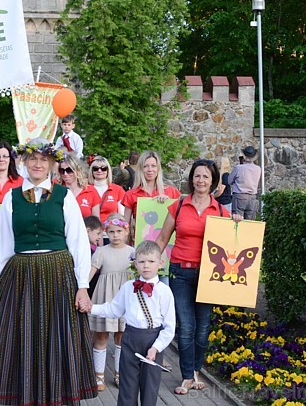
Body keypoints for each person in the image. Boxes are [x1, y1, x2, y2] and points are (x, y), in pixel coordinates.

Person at [0, 139, 97, 405]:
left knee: (56, 338)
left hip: (58, 276)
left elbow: (79, 242)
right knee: (14, 335)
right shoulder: (12, 198)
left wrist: (82, 286)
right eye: (33, 159)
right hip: (21, 275)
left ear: (51, 165)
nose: (38, 164)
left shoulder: (63, 196)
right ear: (24, 162)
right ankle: (25, 395)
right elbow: (1, 245)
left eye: (43, 160)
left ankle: (55, 395)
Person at [155, 159, 241, 395]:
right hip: (180, 271)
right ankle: (186, 376)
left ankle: (195, 371)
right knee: (186, 327)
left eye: (205, 177)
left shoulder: (222, 210)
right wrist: (148, 263)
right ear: (191, 179)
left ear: (213, 181)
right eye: (197, 176)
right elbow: (162, 239)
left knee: (203, 329)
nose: (201, 180)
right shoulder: (179, 206)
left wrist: (237, 225)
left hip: (209, 275)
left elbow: (233, 242)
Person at [88, 240, 175, 406]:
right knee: (127, 386)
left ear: (160, 263)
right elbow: (113, 310)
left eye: (151, 261)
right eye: (141, 262)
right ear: (135, 263)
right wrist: (91, 308)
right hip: (130, 339)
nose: (146, 266)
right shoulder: (128, 287)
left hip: (153, 341)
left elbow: (169, 327)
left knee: (150, 388)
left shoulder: (165, 292)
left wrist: (156, 347)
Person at [88, 214, 136, 391]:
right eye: (111, 232)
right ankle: (98, 374)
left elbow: (138, 274)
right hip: (105, 296)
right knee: (101, 335)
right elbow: (91, 272)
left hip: (124, 298)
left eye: (119, 231)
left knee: (121, 336)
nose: (115, 235)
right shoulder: (101, 251)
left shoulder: (132, 252)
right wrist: (83, 289)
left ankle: (119, 372)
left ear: (126, 231)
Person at [122, 150, 181, 229]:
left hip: (167, 240)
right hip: (141, 239)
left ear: (158, 168)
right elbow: (125, 227)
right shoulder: (130, 194)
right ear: (140, 169)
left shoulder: (171, 192)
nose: (150, 170)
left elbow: (181, 221)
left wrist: (169, 203)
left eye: (153, 166)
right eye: (145, 166)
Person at [59, 154, 101, 219]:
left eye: (69, 170)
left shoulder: (91, 191)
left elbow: (96, 221)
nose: (65, 174)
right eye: (62, 171)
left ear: (77, 170)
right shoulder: (57, 191)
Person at [89, 156, 126, 229]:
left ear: (108, 171)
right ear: (91, 171)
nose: (99, 171)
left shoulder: (118, 190)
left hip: (111, 232)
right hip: (91, 231)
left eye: (103, 168)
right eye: (96, 168)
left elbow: (122, 215)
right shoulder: (86, 190)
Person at [228, 145, 261, 220]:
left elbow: (229, 181)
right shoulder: (258, 169)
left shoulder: (239, 168)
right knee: (249, 224)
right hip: (252, 197)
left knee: (237, 222)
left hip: (239, 196)